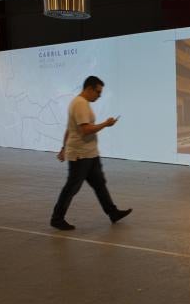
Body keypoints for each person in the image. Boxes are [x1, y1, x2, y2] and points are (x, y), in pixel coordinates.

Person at [50, 76, 132, 230]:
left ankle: (112, 212)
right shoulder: (80, 104)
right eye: (98, 92)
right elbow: (85, 130)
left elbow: (69, 128)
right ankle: (57, 218)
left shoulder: (82, 103)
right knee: (72, 187)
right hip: (80, 155)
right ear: (89, 88)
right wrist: (106, 124)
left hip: (90, 154)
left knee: (99, 184)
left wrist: (63, 148)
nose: (99, 96)